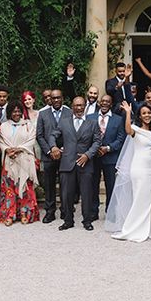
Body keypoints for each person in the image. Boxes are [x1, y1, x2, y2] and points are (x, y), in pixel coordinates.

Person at [105, 102, 151, 242]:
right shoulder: (135, 129)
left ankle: (150, 227)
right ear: (140, 116)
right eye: (144, 113)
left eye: (149, 113)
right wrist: (128, 112)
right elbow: (128, 130)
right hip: (138, 168)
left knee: (149, 199)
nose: (147, 115)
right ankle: (132, 228)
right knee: (139, 197)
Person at [49, 96, 102, 232]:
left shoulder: (92, 123)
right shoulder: (64, 122)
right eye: (76, 105)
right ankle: (68, 220)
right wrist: (54, 147)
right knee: (66, 194)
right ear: (72, 107)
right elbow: (52, 135)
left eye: (81, 105)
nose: (79, 108)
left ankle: (87, 220)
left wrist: (87, 155)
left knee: (87, 193)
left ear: (85, 106)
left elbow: (97, 142)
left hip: (86, 163)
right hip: (67, 163)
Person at [0, 101, 39, 226]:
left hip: (24, 160)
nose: (16, 113)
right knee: (9, 189)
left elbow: (31, 140)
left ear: (22, 112)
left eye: (18, 111)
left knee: (25, 188)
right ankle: (10, 214)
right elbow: (1, 141)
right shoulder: (4, 126)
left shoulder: (28, 125)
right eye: (13, 111)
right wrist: (7, 149)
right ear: (9, 113)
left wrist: (18, 149)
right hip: (10, 160)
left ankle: (24, 213)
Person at [92, 94, 126, 222]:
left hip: (111, 158)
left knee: (111, 186)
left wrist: (107, 148)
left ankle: (110, 212)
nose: (105, 103)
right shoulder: (90, 117)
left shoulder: (118, 119)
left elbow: (120, 139)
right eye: (103, 101)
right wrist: (95, 149)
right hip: (94, 157)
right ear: (99, 103)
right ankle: (93, 212)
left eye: (108, 101)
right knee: (93, 185)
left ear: (111, 104)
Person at [36, 89, 64, 223]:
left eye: (59, 98)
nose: (56, 100)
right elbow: (39, 135)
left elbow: (73, 133)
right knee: (49, 185)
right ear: (50, 100)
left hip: (65, 155)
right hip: (48, 156)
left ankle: (66, 210)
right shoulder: (42, 114)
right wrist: (50, 151)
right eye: (54, 98)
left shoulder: (69, 113)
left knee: (66, 184)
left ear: (62, 98)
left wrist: (63, 150)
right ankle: (50, 212)